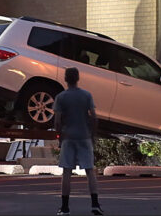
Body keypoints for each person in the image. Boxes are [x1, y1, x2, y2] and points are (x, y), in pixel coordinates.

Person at [53, 67, 103, 216]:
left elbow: (57, 122)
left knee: (67, 172)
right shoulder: (86, 95)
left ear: (65, 79)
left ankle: (65, 207)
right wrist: (92, 134)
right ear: (78, 78)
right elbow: (94, 117)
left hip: (68, 137)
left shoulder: (61, 97)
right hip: (84, 136)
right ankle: (95, 204)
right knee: (90, 171)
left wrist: (60, 136)